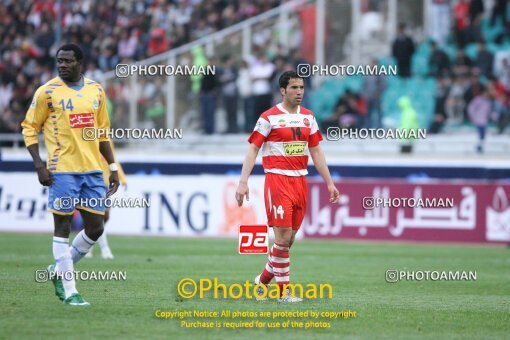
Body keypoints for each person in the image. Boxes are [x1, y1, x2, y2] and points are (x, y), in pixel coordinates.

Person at [21, 44, 119, 306]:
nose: (62, 65)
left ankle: (56, 270)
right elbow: (29, 129)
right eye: (59, 61)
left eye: (67, 61)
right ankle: (70, 291)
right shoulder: (47, 92)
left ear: (79, 62)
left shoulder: (96, 90)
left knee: (96, 228)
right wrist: (39, 165)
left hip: (92, 171)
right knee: (62, 228)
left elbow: (102, 133)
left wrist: (112, 167)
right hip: (62, 170)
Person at [235, 71, 340, 303]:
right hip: (277, 180)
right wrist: (243, 182)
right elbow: (253, 149)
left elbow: (316, 151)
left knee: (288, 241)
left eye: (301, 87)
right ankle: (284, 294)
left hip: (300, 182)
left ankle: (261, 282)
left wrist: (329, 182)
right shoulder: (268, 117)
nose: (299, 92)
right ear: (283, 90)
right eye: (294, 88)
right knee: (282, 239)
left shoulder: (309, 118)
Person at [85, 141, 127, 259]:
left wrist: (122, 178)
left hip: (106, 182)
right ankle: (105, 249)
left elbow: (113, 160)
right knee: (98, 217)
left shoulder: (106, 139)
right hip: (94, 182)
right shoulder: (87, 137)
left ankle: (88, 244)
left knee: (105, 217)